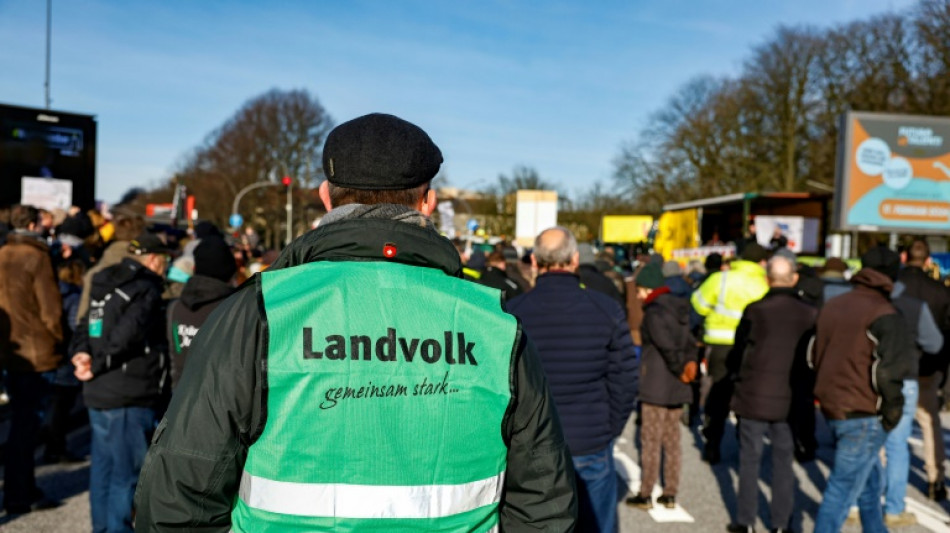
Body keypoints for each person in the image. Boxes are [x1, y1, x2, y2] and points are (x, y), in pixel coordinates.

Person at [134, 113, 577, 532]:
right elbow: (545, 503)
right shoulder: (494, 323)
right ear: (428, 201)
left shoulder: (261, 310)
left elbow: (179, 494)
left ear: (326, 197)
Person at [508, 226, 638, 533]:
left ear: (535, 262)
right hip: (589, 437)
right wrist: (608, 428)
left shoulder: (514, 312)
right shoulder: (605, 309)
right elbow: (625, 379)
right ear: (575, 259)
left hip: (532, 444)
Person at [71, 233, 171, 533]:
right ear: (153, 259)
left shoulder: (103, 283)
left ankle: (101, 528)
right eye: (164, 260)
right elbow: (128, 335)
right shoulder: (145, 288)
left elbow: (86, 325)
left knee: (103, 471)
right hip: (130, 391)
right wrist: (95, 363)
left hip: (99, 391)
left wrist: (81, 354)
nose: (166, 267)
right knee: (126, 476)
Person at [811, 249, 915, 533]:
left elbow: (813, 354)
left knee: (869, 482)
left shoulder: (834, 305)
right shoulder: (884, 313)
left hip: (834, 404)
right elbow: (889, 371)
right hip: (863, 410)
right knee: (842, 489)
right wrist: (892, 411)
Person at [726, 255, 816, 533]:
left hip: (754, 391)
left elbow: (738, 352)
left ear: (767, 279)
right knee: (783, 462)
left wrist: (735, 378)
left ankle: (746, 520)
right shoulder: (810, 313)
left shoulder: (755, 310)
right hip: (791, 395)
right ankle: (781, 523)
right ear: (794, 278)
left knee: (749, 459)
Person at [0, 204, 64, 514]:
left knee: (19, 424)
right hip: (37, 351)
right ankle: (20, 493)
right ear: (33, 224)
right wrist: (60, 341)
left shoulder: (3, 253)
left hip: (11, 350)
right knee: (28, 426)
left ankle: (19, 490)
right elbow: (51, 310)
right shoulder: (36, 256)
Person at [624, 262, 695, 511]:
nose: (639, 296)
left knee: (651, 440)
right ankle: (670, 493)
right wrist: (686, 369)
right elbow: (690, 343)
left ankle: (646, 493)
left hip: (656, 384)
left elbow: (665, 346)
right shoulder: (681, 307)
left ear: (649, 288)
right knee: (672, 441)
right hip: (677, 386)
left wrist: (678, 368)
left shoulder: (654, 312)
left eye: (640, 290)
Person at [691, 242, 769, 464]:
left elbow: (698, 304)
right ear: (761, 262)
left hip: (720, 344)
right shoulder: (764, 284)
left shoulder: (721, 279)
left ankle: (712, 444)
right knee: (746, 394)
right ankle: (745, 447)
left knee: (718, 393)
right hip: (750, 346)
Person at [899, 239, 950, 501]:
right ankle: (935, 477)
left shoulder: (894, 287)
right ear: (929, 261)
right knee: (930, 422)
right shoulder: (940, 290)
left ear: (904, 257)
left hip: (895, 366)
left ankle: (883, 477)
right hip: (929, 366)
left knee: (889, 422)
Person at [166, 235, 237, 388]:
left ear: (194, 268)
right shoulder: (235, 312)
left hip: (178, 396)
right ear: (230, 273)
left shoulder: (174, 307)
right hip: (218, 398)